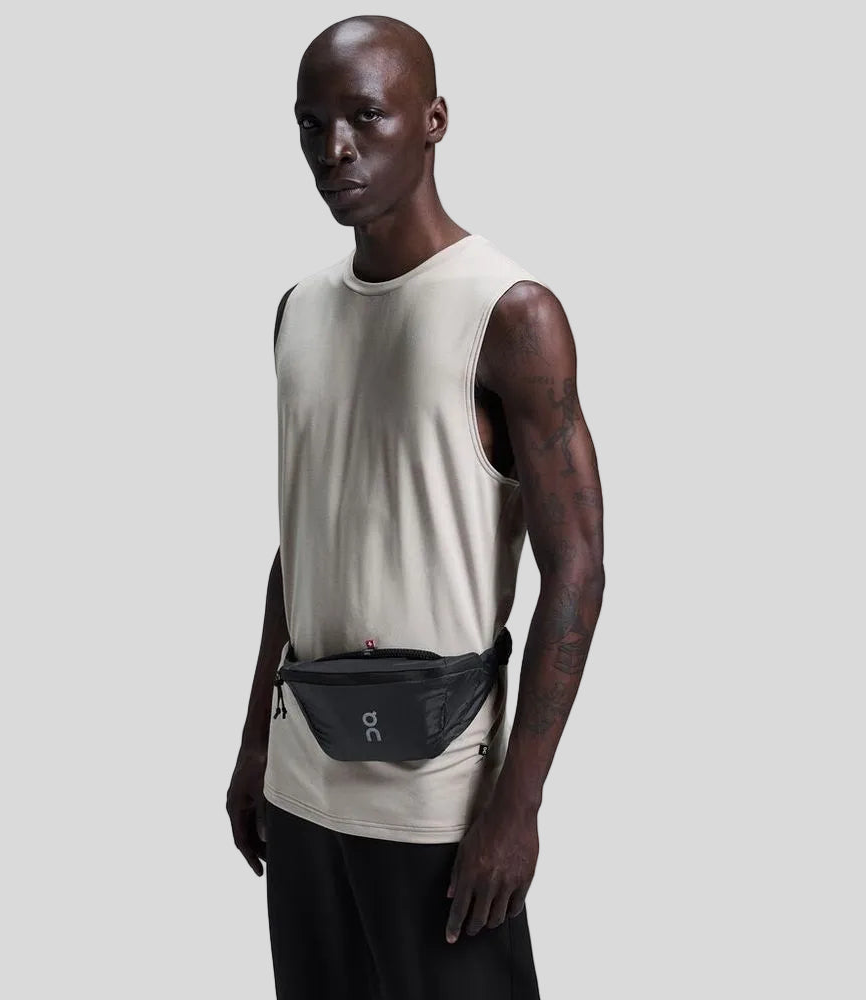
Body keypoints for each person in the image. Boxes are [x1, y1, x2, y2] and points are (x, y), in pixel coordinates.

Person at [226, 14, 605, 999]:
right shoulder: (298, 310)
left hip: (439, 800)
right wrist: (256, 741)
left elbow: (576, 567)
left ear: (433, 120)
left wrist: (517, 807)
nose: (334, 149)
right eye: (311, 123)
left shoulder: (511, 313)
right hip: (302, 782)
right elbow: (303, 543)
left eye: (366, 117)